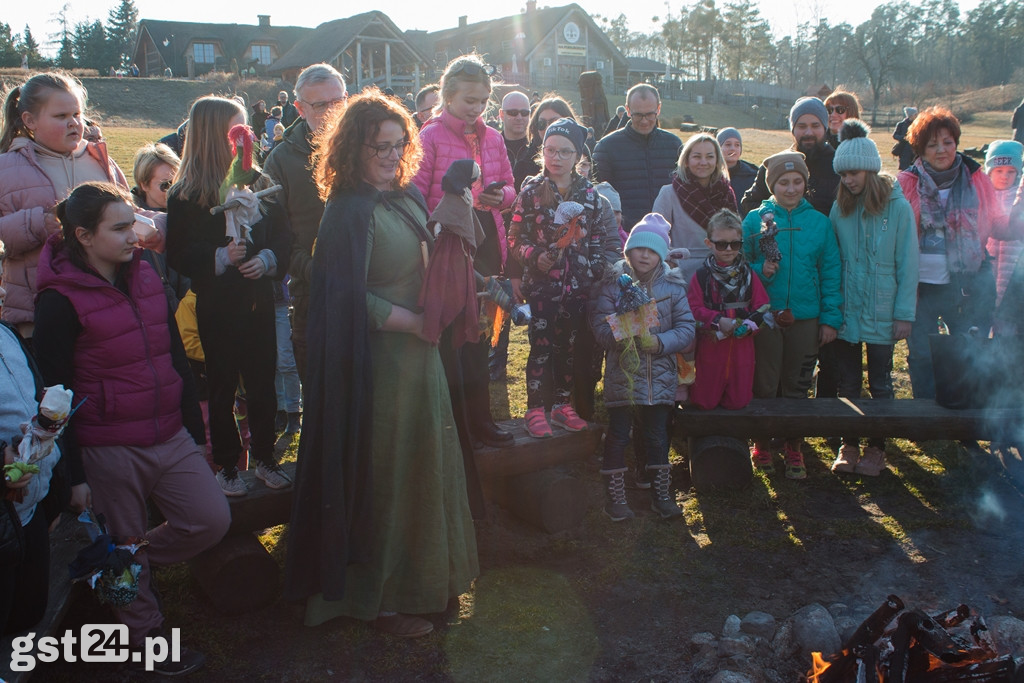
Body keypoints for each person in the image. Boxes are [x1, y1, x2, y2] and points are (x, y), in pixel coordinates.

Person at [284, 89, 478, 638]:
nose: (393, 156)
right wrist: (413, 323)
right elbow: (343, 298)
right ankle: (381, 601)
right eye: (380, 147)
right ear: (351, 149)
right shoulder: (347, 212)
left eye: (399, 144)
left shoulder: (405, 198)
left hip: (422, 359)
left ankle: (427, 583)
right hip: (378, 368)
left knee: (425, 469)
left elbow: (423, 258)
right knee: (387, 481)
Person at [33, 182, 229, 673]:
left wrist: (192, 427)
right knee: (121, 544)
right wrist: (74, 474)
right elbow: (54, 394)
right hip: (108, 446)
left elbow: (174, 356)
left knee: (209, 519)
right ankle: (146, 638)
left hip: (168, 433)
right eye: (119, 228)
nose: (134, 236)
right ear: (82, 235)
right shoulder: (58, 303)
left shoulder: (147, 275)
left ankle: (114, 568)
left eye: (132, 223)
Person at [165, 95, 293, 497]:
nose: (246, 138)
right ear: (214, 136)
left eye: (247, 131)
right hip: (217, 305)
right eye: (237, 131)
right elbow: (181, 254)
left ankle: (266, 459)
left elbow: (282, 235)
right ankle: (226, 463)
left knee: (262, 381)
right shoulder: (186, 195)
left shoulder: (259, 183)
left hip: (258, 300)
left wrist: (268, 259)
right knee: (222, 385)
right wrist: (221, 256)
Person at [413, 54, 515, 449]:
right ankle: (453, 426)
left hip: (485, 238)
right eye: (469, 100)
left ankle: (481, 419)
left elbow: (509, 186)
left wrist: (499, 194)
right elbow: (417, 195)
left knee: (480, 336)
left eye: (483, 100)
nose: (476, 108)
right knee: (453, 337)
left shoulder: (492, 137)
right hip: (449, 244)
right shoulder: (430, 136)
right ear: (448, 95)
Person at [0, 72, 147, 345]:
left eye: (77, 114)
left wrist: (157, 226)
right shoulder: (6, 168)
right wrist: (39, 222)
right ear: (30, 121)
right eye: (60, 116)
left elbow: (128, 214)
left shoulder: (102, 162)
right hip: (37, 311)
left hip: (104, 304)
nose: (74, 123)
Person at [509, 117, 617, 438]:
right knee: (541, 348)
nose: (556, 157)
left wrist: (593, 268)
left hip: (577, 291)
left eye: (564, 152)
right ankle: (534, 409)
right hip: (543, 289)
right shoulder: (530, 194)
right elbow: (514, 238)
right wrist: (534, 257)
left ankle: (560, 406)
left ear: (578, 157)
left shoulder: (591, 196)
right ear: (542, 152)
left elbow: (598, 236)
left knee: (567, 348)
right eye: (550, 150)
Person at [897, 107, 1009, 399]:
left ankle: (959, 410)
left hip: (966, 283)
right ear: (921, 150)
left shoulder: (976, 178)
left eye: (947, 142)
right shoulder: (906, 182)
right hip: (920, 285)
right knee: (920, 350)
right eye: (932, 144)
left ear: (956, 143)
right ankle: (925, 411)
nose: (941, 149)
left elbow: (997, 222)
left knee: (967, 348)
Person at [743, 151, 842, 479]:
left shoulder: (819, 222)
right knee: (766, 381)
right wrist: (762, 269)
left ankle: (794, 446)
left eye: (797, 181)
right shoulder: (755, 220)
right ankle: (761, 443)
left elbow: (830, 272)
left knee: (797, 382)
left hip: (805, 316)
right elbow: (740, 266)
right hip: (766, 316)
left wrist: (829, 318)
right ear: (772, 185)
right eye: (783, 182)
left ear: (805, 182)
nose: (791, 188)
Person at [828, 120, 918, 477]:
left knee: (880, 381)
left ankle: (877, 447)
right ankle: (848, 444)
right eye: (843, 175)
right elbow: (834, 262)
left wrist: (904, 313)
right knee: (848, 381)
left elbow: (908, 264)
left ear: (869, 169)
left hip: (884, 308)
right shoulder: (841, 209)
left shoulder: (897, 208)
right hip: (850, 307)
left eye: (853, 173)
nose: (848, 180)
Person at [591, 213, 694, 520]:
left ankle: (661, 494)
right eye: (639, 248)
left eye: (652, 250)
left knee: (657, 435)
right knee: (619, 433)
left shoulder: (674, 289)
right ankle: (616, 496)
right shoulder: (613, 287)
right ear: (628, 250)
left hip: (659, 378)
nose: (645, 255)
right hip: (623, 375)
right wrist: (624, 335)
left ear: (662, 254)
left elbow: (687, 329)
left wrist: (660, 342)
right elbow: (599, 327)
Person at [263, 63, 347, 382]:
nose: (331, 111)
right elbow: (276, 236)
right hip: (313, 294)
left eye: (337, 102)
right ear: (299, 107)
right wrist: (317, 271)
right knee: (321, 395)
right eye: (320, 105)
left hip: (372, 288)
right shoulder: (280, 161)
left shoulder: (370, 147)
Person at [0, 242, 62, 637]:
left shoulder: (7, 334)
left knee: (27, 612)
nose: (3, 291)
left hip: (30, 508)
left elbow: (36, 402)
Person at [687, 209, 770, 411]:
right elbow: (692, 308)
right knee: (704, 400)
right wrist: (716, 320)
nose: (729, 249)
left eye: (735, 244)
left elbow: (763, 306)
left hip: (742, 348)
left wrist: (750, 325)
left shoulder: (749, 275)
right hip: (712, 346)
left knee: (739, 400)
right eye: (721, 244)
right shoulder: (702, 276)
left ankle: (737, 438)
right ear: (709, 243)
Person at [593, 84, 682, 231]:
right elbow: (601, 196)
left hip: (667, 232)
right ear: (628, 110)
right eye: (638, 115)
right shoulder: (606, 147)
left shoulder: (674, 145)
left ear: (658, 109)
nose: (644, 120)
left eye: (650, 114)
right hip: (625, 234)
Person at [653, 132, 738, 283]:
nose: (703, 162)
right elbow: (656, 236)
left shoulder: (727, 193)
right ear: (686, 160)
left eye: (710, 156)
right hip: (682, 275)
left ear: (717, 160)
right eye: (697, 156)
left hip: (722, 274)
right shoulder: (669, 193)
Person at [741, 97, 840, 217]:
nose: (809, 132)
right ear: (793, 130)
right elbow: (749, 203)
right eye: (802, 126)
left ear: (825, 128)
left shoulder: (839, 166)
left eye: (815, 126)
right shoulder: (776, 164)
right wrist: (781, 218)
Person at [983, 140, 1024, 306]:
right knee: (986, 303)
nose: (1005, 176)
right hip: (988, 263)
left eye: (1011, 171)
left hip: (1013, 263)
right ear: (989, 172)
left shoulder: (1019, 199)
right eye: (999, 170)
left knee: (1006, 309)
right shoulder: (982, 196)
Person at [717, 128, 758, 215]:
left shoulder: (752, 175)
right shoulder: (710, 174)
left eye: (737, 145)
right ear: (718, 148)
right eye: (728, 144)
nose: (733, 149)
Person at [499, 90, 534, 192]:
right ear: (501, 114)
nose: (519, 118)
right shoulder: (489, 147)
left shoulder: (538, 148)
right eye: (513, 113)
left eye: (524, 113)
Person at [892, 107, 918, 171]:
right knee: (904, 170)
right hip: (904, 150)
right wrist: (903, 138)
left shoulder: (918, 124)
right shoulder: (901, 124)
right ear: (911, 115)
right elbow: (895, 135)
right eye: (915, 114)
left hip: (915, 150)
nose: (917, 116)